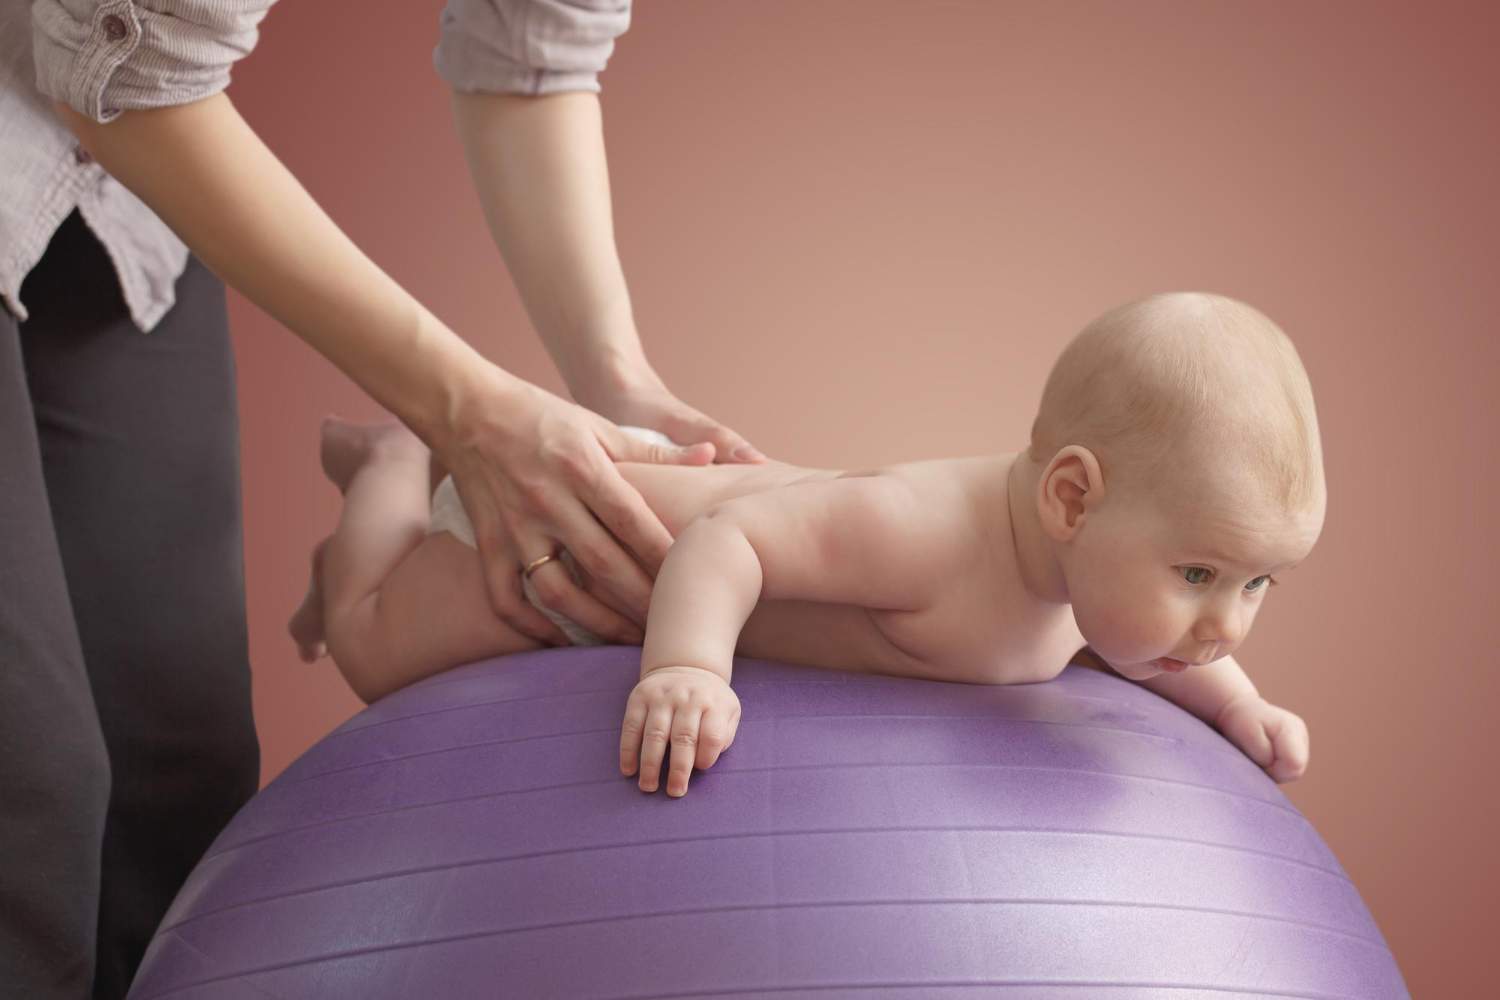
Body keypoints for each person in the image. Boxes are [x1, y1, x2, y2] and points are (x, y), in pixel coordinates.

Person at [1, 1, 749, 997]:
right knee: (29, 791)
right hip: (123, 86)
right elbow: (126, 64)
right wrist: (466, 415)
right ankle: (396, 460)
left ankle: (395, 461)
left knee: (175, 771)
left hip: (110, 189)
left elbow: (536, 46)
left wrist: (618, 381)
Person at [289, 291, 1324, 799]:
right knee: (373, 641)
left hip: (627, 532)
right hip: (577, 542)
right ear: (1070, 496)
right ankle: (386, 460)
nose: (1222, 623)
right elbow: (728, 543)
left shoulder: (1084, 580)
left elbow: (1152, 647)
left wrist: (1243, 706)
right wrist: (689, 667)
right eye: (1199, 575)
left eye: (1257, 583)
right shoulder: (926, 535)